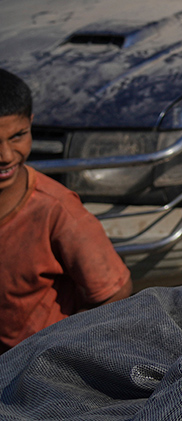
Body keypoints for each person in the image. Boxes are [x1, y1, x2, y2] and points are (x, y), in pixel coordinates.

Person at [0, 68, 131, 352]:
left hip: (34, 367)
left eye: (18, 136)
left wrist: (63, 346)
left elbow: (115, 292)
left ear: (31, 124)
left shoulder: (56, 210)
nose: (6, 156)